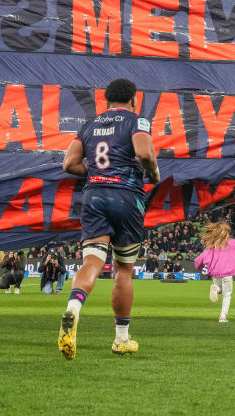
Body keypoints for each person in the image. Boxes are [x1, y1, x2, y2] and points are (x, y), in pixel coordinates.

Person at [58, 78, 160, 359]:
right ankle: (121, 339)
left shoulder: (89, 125)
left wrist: (95, 174)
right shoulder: (136, 121)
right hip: (126, 196)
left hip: (93, 197)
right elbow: (143, 152)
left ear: (106, 100)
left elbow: (68, 164)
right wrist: (153, 173)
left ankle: (73, 309)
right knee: (123, 270)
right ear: (134, 100)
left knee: (91, 261)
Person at [194, 221, 235, 323]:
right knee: (227, 294)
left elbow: (200, 259)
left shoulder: (212, 245)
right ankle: (222, 317)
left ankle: (216, 288)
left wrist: (199, 266)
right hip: (227, 273)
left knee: (219, 290)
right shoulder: (232, 242)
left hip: (216, 273)